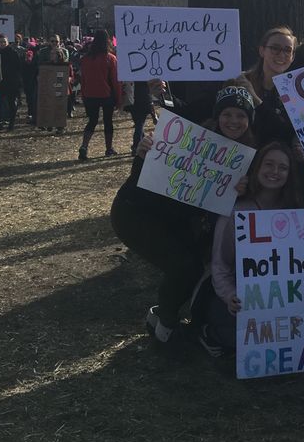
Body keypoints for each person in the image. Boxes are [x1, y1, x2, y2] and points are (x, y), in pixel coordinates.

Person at [110, 85, 257, 345]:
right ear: (217, 116)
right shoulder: (187, 140)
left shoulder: (243, 156)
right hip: (137, 211)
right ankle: (165, 326)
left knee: (192, 266)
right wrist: (143, 155)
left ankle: (162, 316)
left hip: (176, 220)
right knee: (183, 267)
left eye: (241, 116)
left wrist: (239, 191)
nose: (234, 121)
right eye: (227, 114)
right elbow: (140, 180)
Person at [201, 141, 303, 356]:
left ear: (290, 174)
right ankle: (210, 332)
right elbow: (220, 266)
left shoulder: (297, 213)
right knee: (243, 339)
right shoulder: (235, 212)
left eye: (283, 167)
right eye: (269, 164)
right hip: (243, 298)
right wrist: (231, 296)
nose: (275, 172)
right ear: (257, 168)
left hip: (282, 298)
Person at [241, 26, 297, 147]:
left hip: (275, 160)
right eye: (275, 48)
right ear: (262, 51)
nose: (281, 54)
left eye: (288, 50)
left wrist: (255, 99)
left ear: (292, 57)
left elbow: (283, 131)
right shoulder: (243, 81)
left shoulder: (295, 91)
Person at [77, 29, 122, 159]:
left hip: (90, 94)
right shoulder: (111, 59)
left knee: (92, 121)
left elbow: (83, 79)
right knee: (108, 122)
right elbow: (115, 81)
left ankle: (84, 146)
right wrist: (119, 99)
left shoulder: (85, 59)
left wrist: (84, 94)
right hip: (106, 94)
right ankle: (108, 148)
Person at [0, 34, 23, 131]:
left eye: (4, 42)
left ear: (7, 42)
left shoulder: (13, 52)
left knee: (11, 103)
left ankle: (11, 123)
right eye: (0, 42)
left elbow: (18, 67)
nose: (2, 44)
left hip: (11, 82)